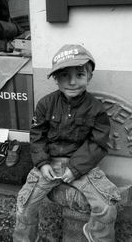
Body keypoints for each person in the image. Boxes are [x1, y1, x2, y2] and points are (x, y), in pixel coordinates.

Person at [13, 44, 121, 242]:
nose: (72, 82)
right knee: (24, 205)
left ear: (89, 77)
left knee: (108, 205)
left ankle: (97, 235)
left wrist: (75, 168)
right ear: (55, 78)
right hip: (48, 164)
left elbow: (98, 143)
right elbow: (37, 135)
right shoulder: (46, 104)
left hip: (82, 166)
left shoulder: (96, 109)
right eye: (64, 75)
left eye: (79, 75)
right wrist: (42, 163)